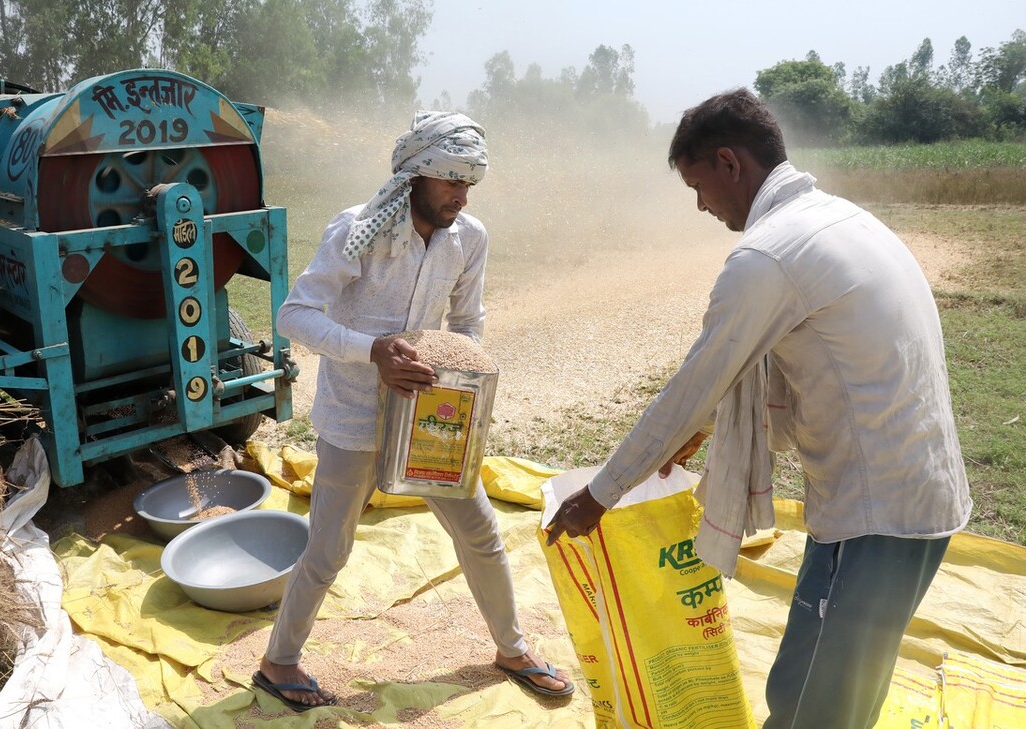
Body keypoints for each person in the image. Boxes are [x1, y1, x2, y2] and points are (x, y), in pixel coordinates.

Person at [545, 89, 972, 728]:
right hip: (882, 498)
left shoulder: (768, 255)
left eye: (697, 185)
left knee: (830, 707)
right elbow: (754, 373)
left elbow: (690, 389)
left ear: (729, 163)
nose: (701, 205)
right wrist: (704, 426)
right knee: (800, 686)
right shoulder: (839, 218)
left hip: (882, 512)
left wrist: (600, 494)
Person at [254, 111, 574, 712]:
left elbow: (467, 321)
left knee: (479, 530)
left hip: (429, 421)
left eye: (468, 183)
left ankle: (512, 648)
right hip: (353, 417)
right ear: (414, 176)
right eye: (450, 180)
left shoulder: (469, 238)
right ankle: (279, 662)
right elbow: (293, 315)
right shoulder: (359, 229)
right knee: (329, 549)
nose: (460, 193)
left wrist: (464, 376)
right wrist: (371, 351)